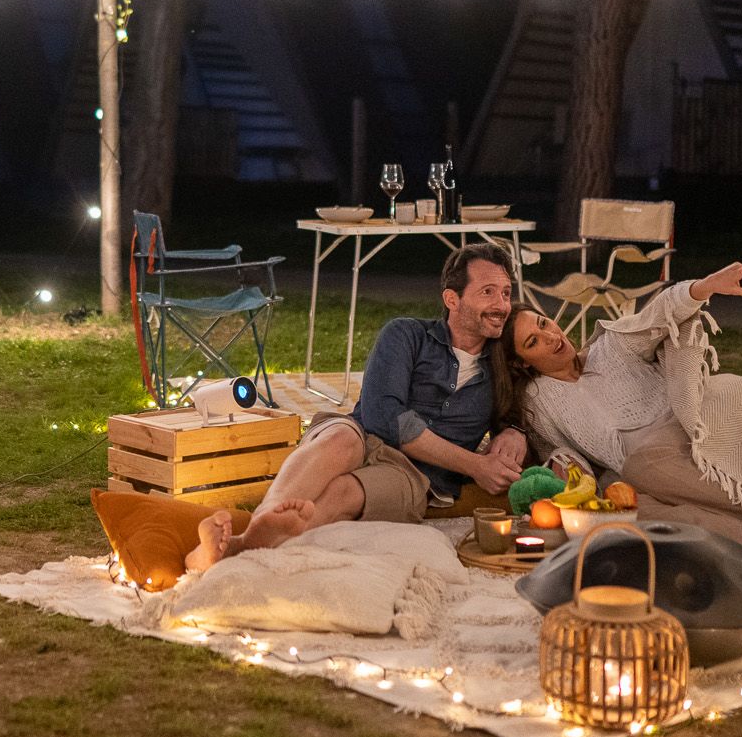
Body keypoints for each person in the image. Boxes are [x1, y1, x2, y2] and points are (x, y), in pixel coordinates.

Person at [493, 258, 742, 578]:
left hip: (690, 430)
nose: (551, 336)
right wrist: (567, 473)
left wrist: (707, 285)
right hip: (644, 473)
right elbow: (559, 454)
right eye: (533, 342)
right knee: (635, 510)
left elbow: (660, 314)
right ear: (521, 362)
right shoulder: (538, 400)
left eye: (543, 323)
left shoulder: (613, 346)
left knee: (643, 466)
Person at [185, 242, 528, 568]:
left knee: (344, 493)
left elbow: (522, 415)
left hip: (415, 476)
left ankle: (236, 547)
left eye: (506, 293)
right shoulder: (406, 334)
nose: (501, 304)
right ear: (452, 299)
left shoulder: (500, 369)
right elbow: (383, 416)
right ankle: (268, 518)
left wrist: (515, 431)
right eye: (488, 292)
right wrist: (475, 465)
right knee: (341, 439)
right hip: (360, 431)